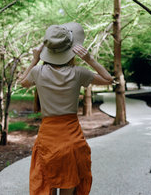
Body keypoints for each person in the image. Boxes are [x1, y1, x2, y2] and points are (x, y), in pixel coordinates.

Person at [20, 22, 113, 195]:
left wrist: (34, 59)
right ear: (71, 49)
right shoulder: (79, 72)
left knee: (46, 186)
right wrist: (89, 59)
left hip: (48, 140)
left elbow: (23, 82)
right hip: (71, 140)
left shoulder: (37, 72)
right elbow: (108, 80)